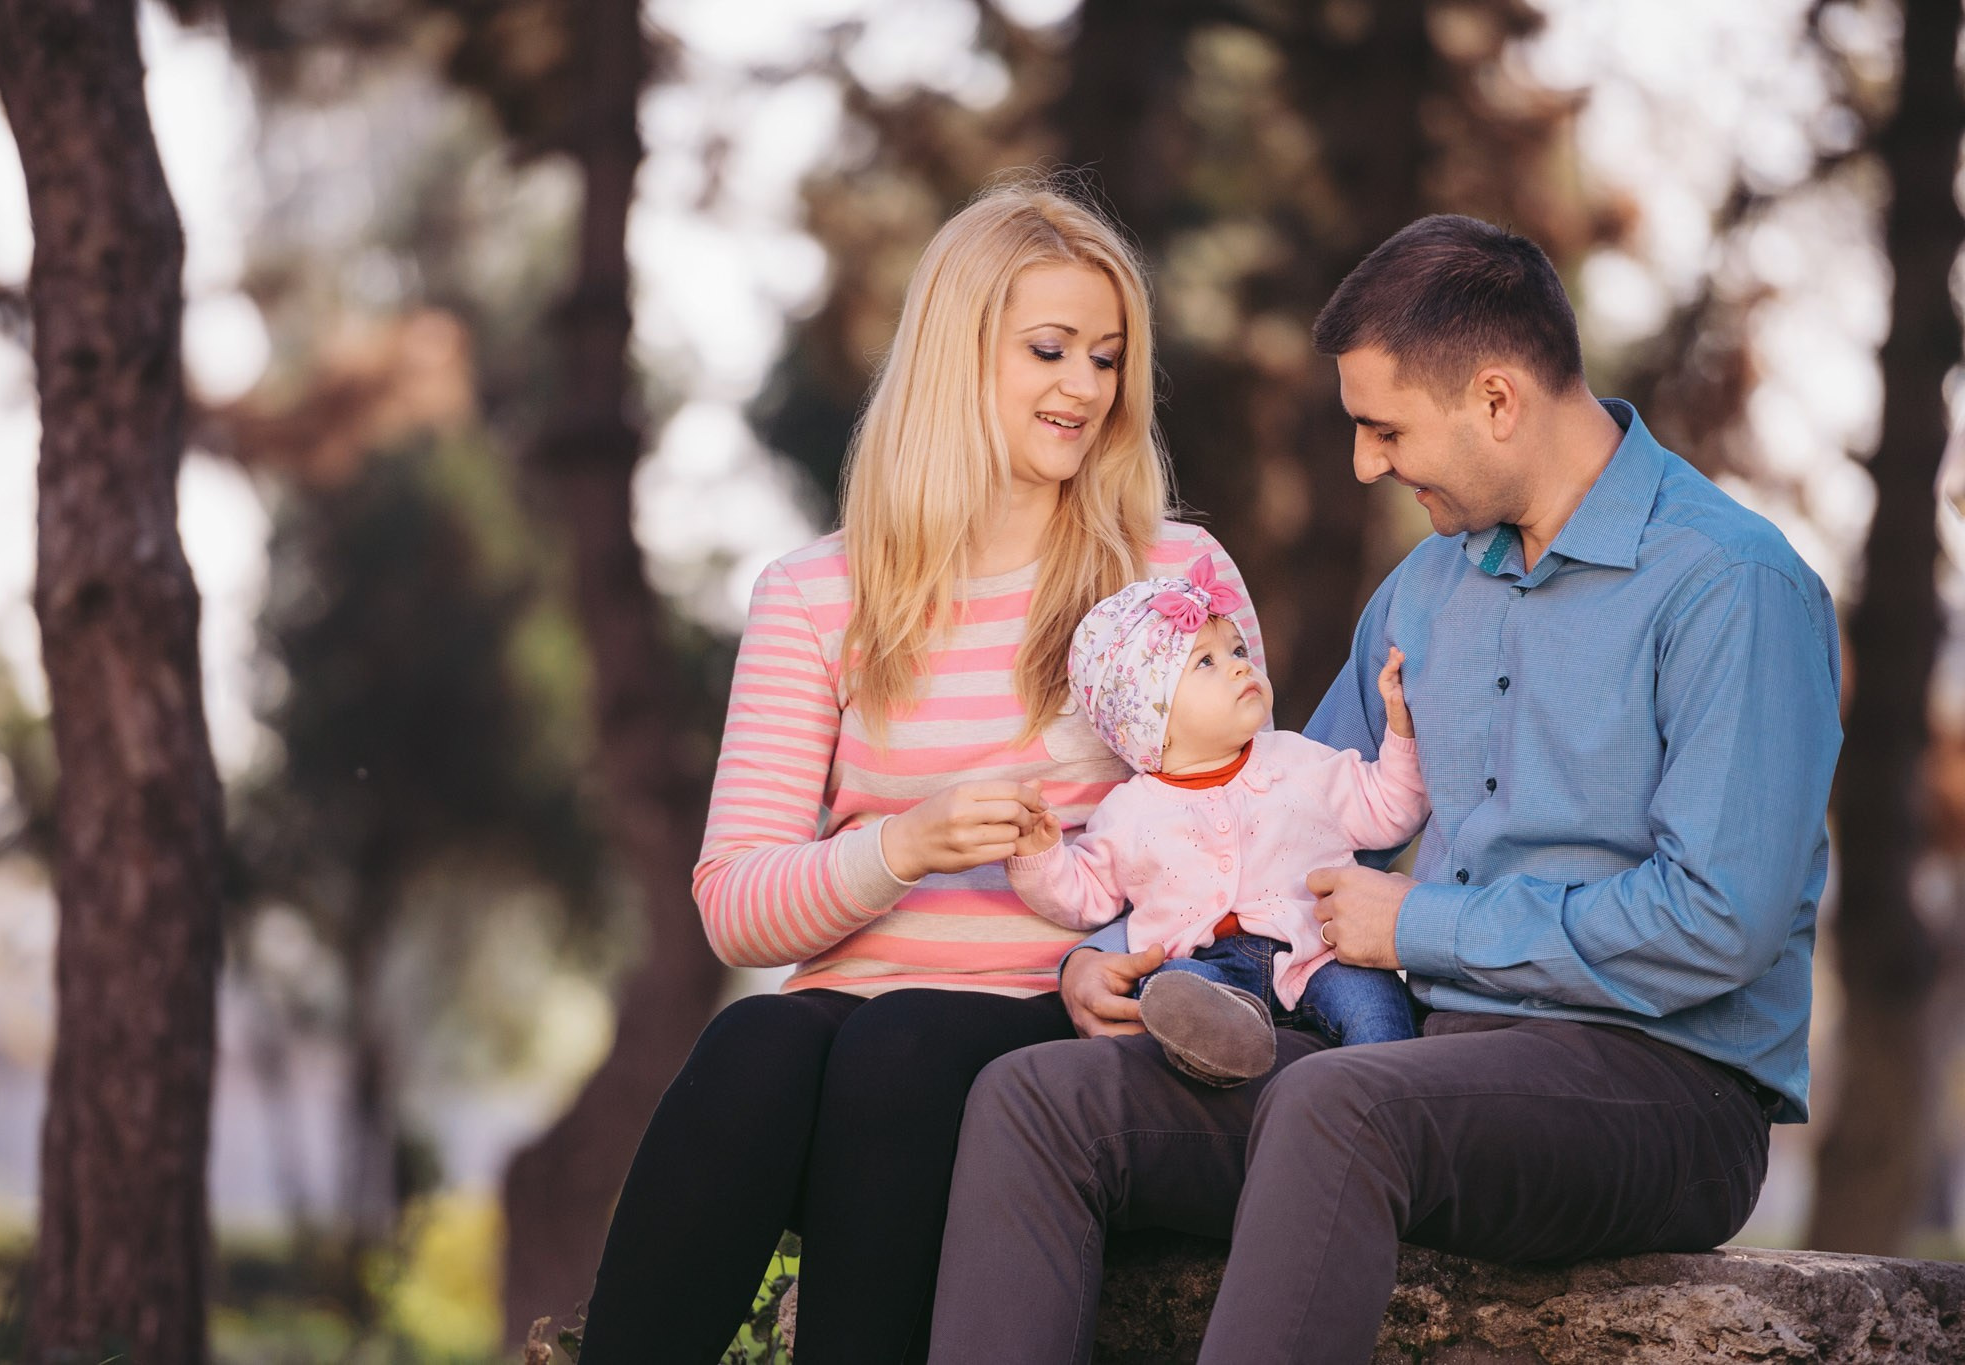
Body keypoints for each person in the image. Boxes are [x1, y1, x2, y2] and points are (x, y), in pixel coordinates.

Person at [927, 213, 1842, 1364]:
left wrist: (1423, 923)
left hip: (1662, 1088)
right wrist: (1112, 940)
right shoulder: (1420, 589)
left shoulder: (1728, 588)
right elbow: (1280, 827)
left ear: (1496, 401)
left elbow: (1720, 921)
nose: (1365, 463)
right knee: (1036, 1101)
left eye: (1383, 429)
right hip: (1408, 1059)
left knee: (1334, 1108)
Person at [576, 179, 1264, 1364]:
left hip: (1066, 1019)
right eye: (1047, 350)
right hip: (846, 1041)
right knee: (756, 1044)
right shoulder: (816, 595)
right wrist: (902, 846)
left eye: (1104, 358)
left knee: (896, 1048)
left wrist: (1124, 964)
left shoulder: (1174, 573)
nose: (1084, 389)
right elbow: (735, 903)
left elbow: (1248, 831)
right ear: (955, 356)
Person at [1005, 556, 1426, 1085]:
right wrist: (1038, 855)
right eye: (1205, 662)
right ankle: (1223, 1060)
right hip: (1208, 969)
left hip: (1318, 954)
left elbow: (1391, 809)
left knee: (1375, 1002)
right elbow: (1085, 894)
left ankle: (1389, 1098)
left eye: (1237, 650)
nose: (1239, 666)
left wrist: (1400, 735)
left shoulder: (1299, 762)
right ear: (1148, 718)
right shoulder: (1130, 812)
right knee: (1172, 985)